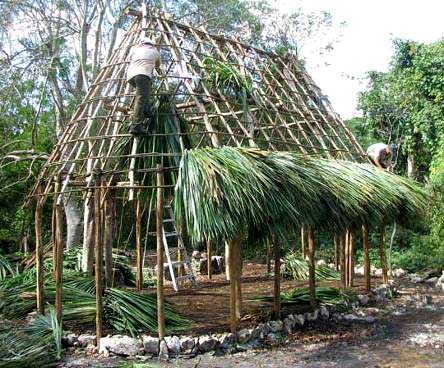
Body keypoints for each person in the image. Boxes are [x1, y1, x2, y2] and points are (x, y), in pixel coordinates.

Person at [126, 36, 161, 135]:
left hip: (131, 76)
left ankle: (146, 110)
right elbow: (158, 65)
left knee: (145, 93)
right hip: (143, 74)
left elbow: (129, 59)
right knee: (141, 98)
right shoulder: (154, 51)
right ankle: (136, 126)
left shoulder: (135, 49)